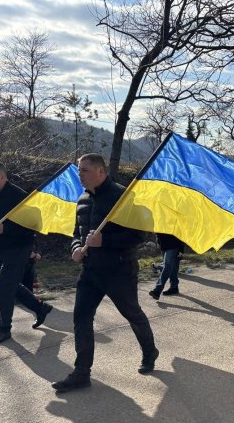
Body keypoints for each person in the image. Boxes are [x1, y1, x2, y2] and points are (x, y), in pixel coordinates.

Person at [52, 153, 158, 393]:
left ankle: (150, 352)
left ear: (101, 171)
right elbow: (77, 232)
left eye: (85, 171)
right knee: (81, 318)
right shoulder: (82, 199)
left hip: (119, 270)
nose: (80, 175)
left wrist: (105, 241)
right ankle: (81, 373)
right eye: (79, 171)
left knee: (132, 313)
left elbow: (138, 235)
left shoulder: (122, 196)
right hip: (90, 271)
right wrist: (76, 247)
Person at [0, 161, 53, 345]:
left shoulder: (18, 196)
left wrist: (5, 229)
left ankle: (4, 329)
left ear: (2, 176)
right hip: (0, 248)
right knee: (12, 284)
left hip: (20, 247)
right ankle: (40, 308)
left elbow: (32, 226)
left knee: (3, 286)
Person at [149, 233, 184, 299]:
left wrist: (181, 249)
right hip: (163, 244)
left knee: (167, 266)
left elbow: (180, 231)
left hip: (173, 244)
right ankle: (174, 287)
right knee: (173, 267)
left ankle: (157, 290)